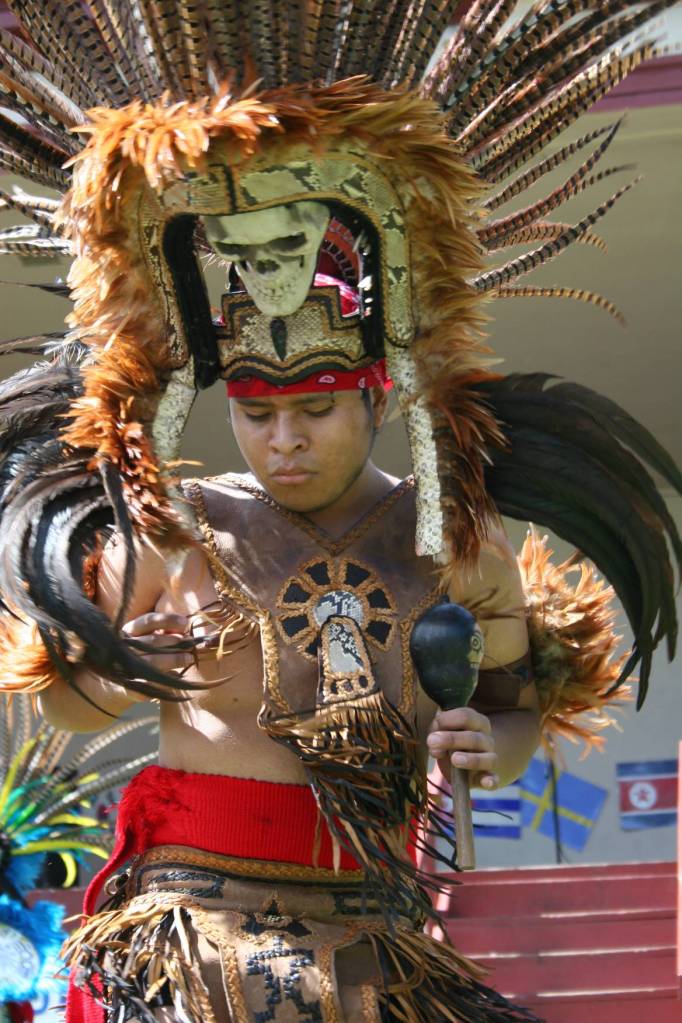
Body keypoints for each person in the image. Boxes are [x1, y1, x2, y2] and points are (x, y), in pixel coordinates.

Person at [40, 374, 542, 1023]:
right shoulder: (171, 527)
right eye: (256, 413)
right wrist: (124, 673)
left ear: (379, 399)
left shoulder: (461, 540)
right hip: (191, 924)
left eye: (316, 408)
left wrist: (487, 745)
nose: (285, 440)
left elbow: (515, 712)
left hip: (375, 918)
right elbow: (60, 699)